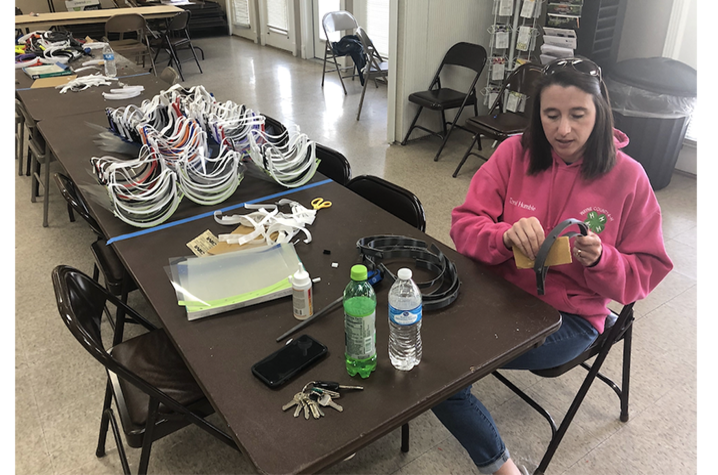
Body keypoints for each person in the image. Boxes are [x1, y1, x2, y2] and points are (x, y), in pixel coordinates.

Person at [432, 58, 673, 475]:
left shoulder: (630, 179)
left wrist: (602, 259)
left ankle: (501, 469)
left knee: (442, 374)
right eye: (551, 115)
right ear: (537, 114)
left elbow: (646, 273)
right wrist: (502, 237)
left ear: (599, 114)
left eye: (578, 115)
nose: (563, 129)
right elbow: (464, 224)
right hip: (498, 292)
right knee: (433, 362)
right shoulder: (514, 152)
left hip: (571, 318)